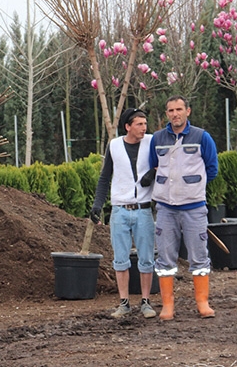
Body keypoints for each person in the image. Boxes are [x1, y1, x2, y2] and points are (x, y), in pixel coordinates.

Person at [144, 95, 218, 320]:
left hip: (194, 207)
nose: (174, 114)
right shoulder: (157, 138)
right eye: (170, 110)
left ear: (188, 111)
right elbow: (153, 166)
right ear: (166, 114)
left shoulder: (202, 137)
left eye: (178, 109)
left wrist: (192, 188)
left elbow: (212, 168)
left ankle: (202, 303)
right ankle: (167, 306)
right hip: (166, 208)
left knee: (199, 255)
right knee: (165, 256)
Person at [90, 108, 156, 319]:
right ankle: (124, 303)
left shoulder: (151, 142)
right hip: (120, 209)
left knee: (146, 258)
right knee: (120, 259)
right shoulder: (115, 146)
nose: (143, 128)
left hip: (144, 209)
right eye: (139, 124)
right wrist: (98, 205)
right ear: (128, 126)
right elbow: (104, 177)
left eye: (145, 124)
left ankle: (146, 302)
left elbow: (165, 164)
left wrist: (151, 175)